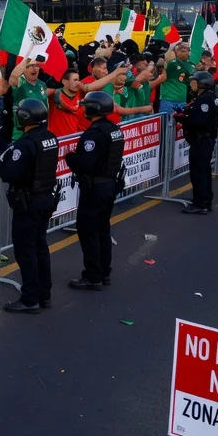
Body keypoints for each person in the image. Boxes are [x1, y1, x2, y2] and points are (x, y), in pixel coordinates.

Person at [0, 99, 59, 313]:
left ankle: (30, 299)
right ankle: (44, 294)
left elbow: (10, 173)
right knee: (40, 247)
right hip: (45, 198)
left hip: (28, 203)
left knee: (26, 251)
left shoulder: (25, 143)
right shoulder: (50, 138)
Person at [64, 91, 121, 289]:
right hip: (109, 185)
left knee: (89, 231)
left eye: (87, 105)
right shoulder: (114, 129)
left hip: (95, 187)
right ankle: (104, 272)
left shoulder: (95, 133)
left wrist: (69, 157)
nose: (84, 108)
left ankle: (92, 276)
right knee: (103, 229)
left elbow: (85, 163)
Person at [178, 71, 218, 215]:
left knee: (199, 173)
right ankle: (205, 200)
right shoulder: (207, 97)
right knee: (204, 171)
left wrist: (182, 119)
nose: (191, 84)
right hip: (204, 139)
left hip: (201, 139)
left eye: (194, 82)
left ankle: (200, 203)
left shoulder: (204, 100)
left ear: (203, 84)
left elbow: (199, 121)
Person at [159, 41, 193, 116]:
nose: (185, 53)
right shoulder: (171, 63)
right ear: (176, 52)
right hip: (167, 100)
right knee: (165, 125)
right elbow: (166, 59)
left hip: (182, 101)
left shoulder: (191, 65)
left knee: (180, 125)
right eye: (182, 51)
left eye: (188, 51)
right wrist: (171, 47)